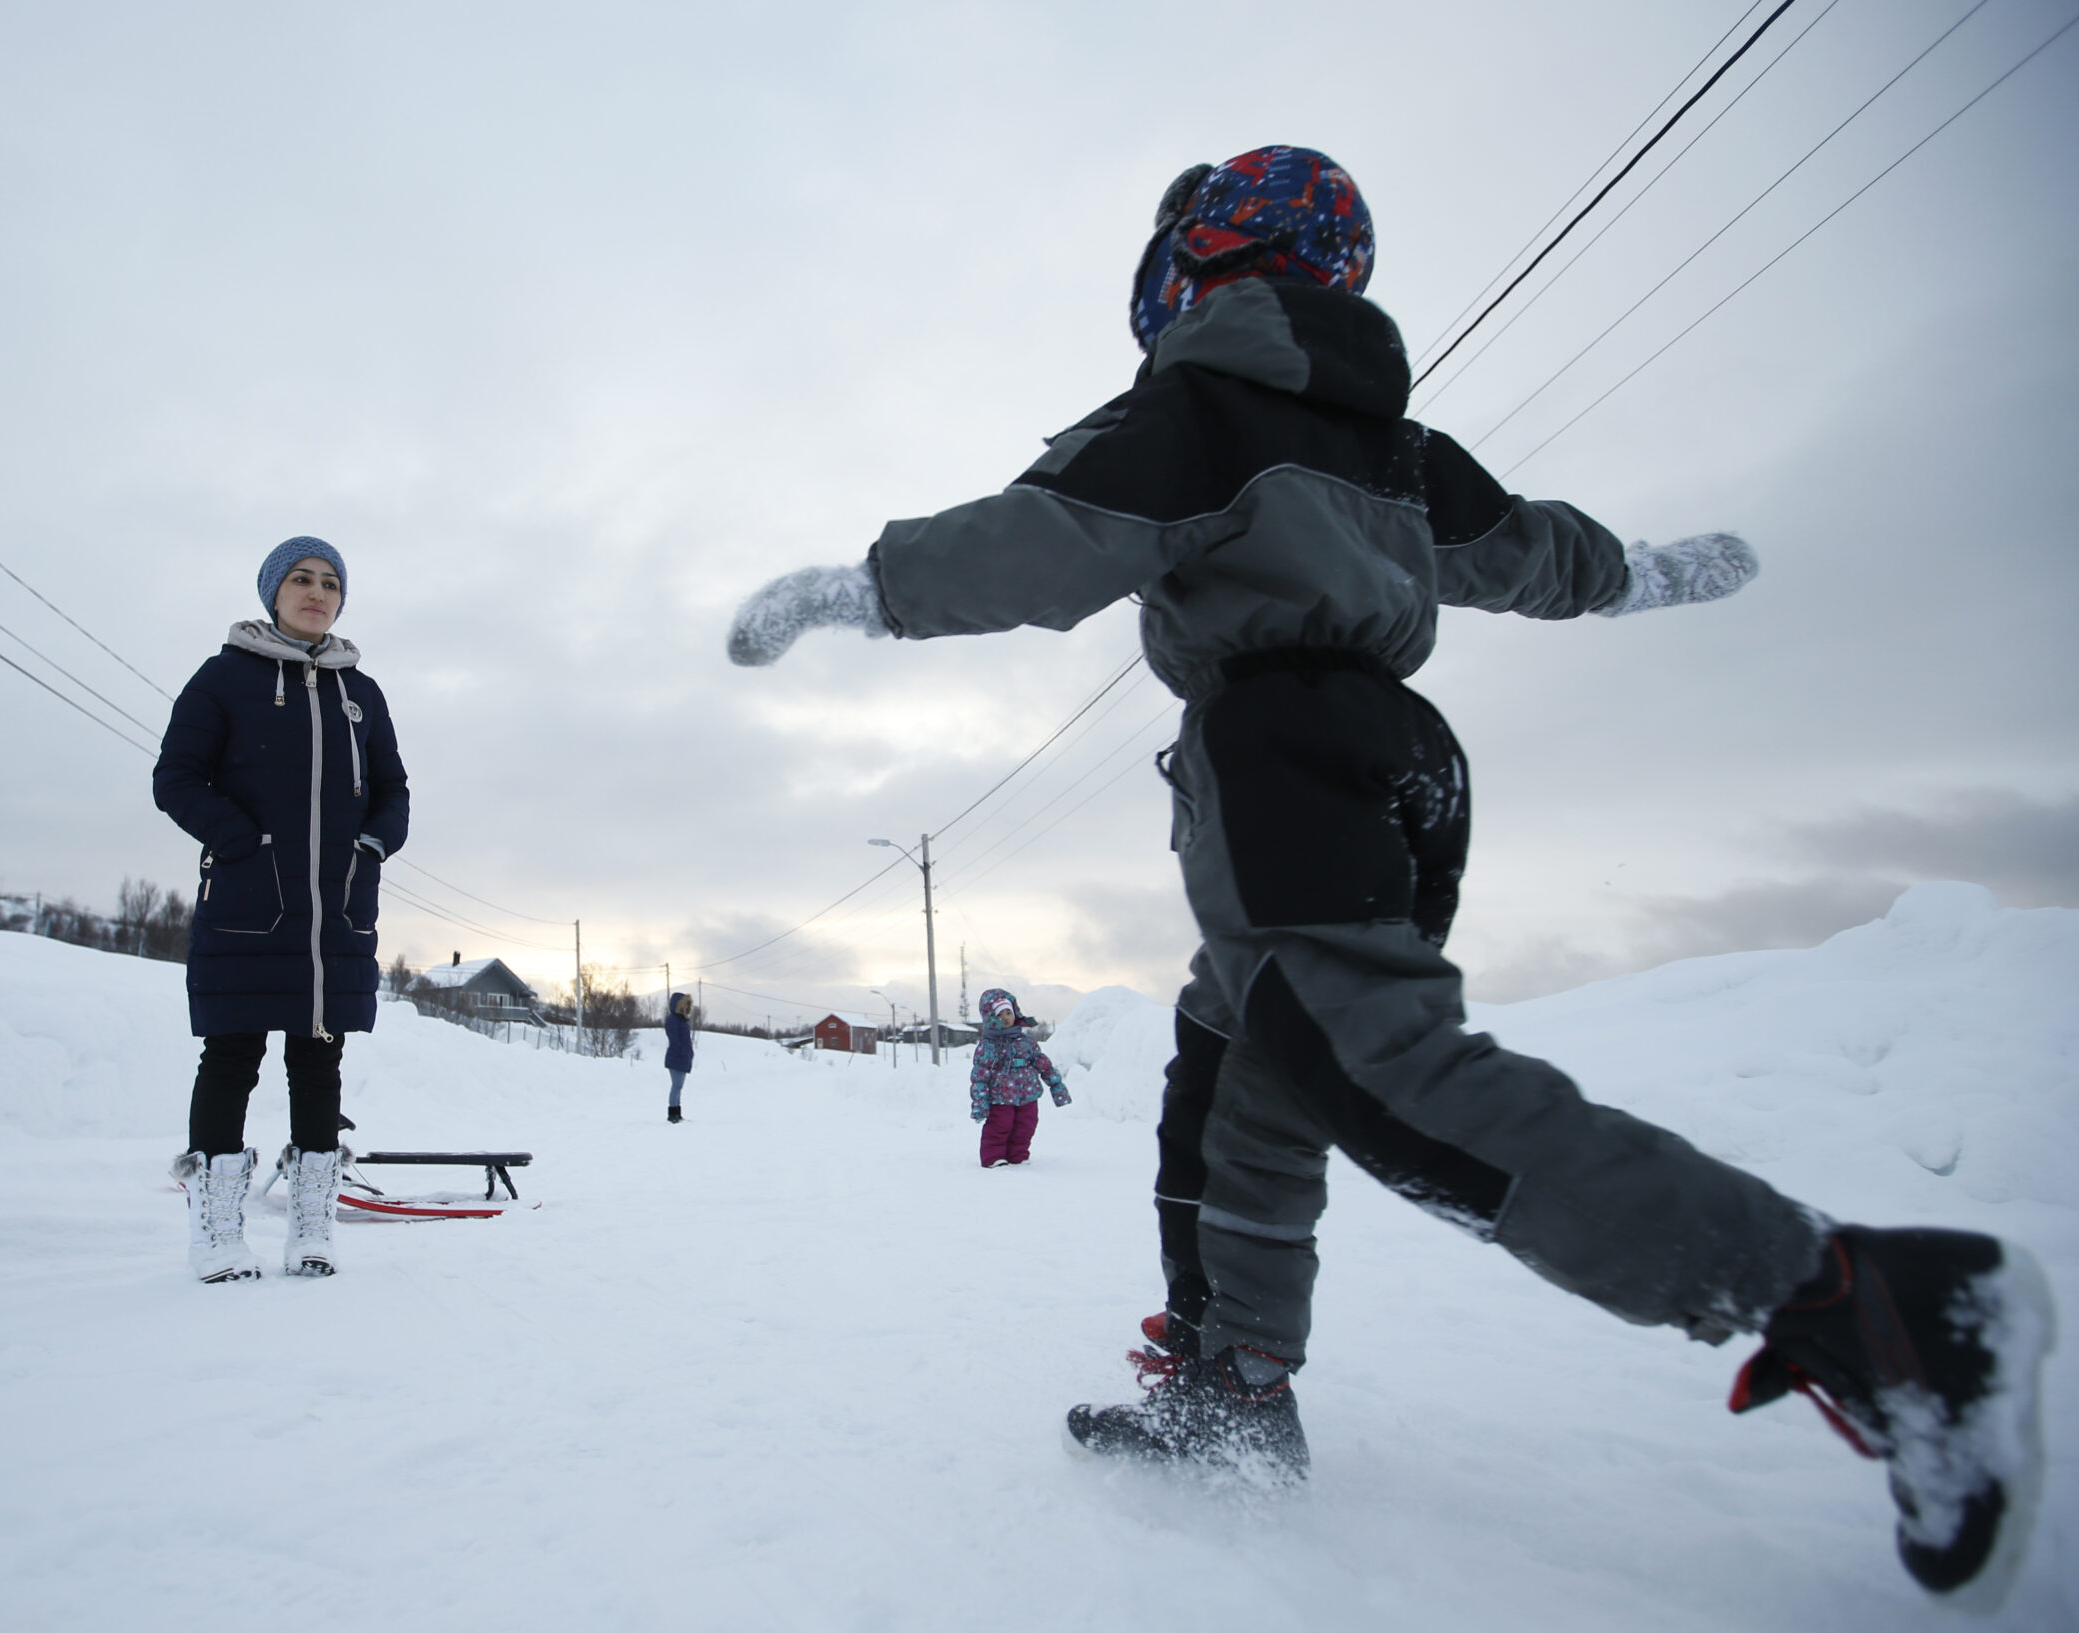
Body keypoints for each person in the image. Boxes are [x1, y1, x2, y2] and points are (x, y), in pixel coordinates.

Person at [723, 147, 2052, 1597]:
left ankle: (1869, 1301)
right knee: (1243, 1084)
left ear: (1207, 259)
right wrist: (1654, 568)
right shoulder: (1397, 446)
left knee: (1390, 1080)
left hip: (1278, 750)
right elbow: (1534, 551)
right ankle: (1237, 1384)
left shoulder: (1203, 404)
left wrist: (869, 587)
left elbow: (1057, 539)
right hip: (1403, 762)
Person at [154, 535, 410, 1283]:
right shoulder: (223, 678)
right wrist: (244, 841)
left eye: (330, 581)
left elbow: (394, 791)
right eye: (301, 578)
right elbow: (177, 777)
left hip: (336, 912)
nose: (317, 590)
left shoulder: (361, 693)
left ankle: (311, 1229)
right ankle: (217, 1233)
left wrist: (371, 847)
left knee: (318, 1055)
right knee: (232, 1055)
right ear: (273, 592)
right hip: (247, 900)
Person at [967, 988, 1069, 1166]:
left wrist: (1056, 1085)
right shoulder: (988, 1046)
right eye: (1000, 1014)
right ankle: (993, 1156)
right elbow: (980, 1077)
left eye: (1009, 1012)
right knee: (1000, 1126)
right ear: (990, 1018)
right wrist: (979, 1103)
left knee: (1026, 1125)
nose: (1006, 1017)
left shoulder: (1025, 1042)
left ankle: (1018, 1155)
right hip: (1000, 1097)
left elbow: (1042, 1063)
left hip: (1027, 1095)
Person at [663, 991, 695, 1122]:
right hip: (676, 1058)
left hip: (683, 1059)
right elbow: (674, 1039)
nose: (687, 1007)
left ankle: (677, 1113)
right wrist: (682, 1051)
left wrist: (689, 1053)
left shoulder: (683, 1021)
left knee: (679, 1086)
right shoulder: (672, 1019)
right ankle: (672, 1114)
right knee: (676, 1086)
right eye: (685, 1004)